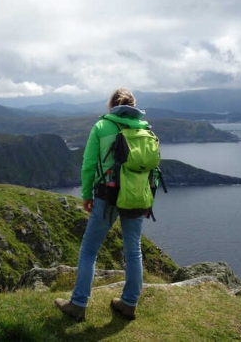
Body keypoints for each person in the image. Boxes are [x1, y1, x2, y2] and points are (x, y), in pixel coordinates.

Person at [55, 87, 150, 321]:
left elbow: (88, 165)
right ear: (133, 105)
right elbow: (149, 169)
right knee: (133, 250)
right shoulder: (145, 128)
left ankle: (78, 305)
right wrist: (147, 199)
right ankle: (128, 303)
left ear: (111, 105)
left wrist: (86, 195)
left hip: (107, 195)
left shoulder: (101, 126)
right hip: (137, 195)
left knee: (89, 250)